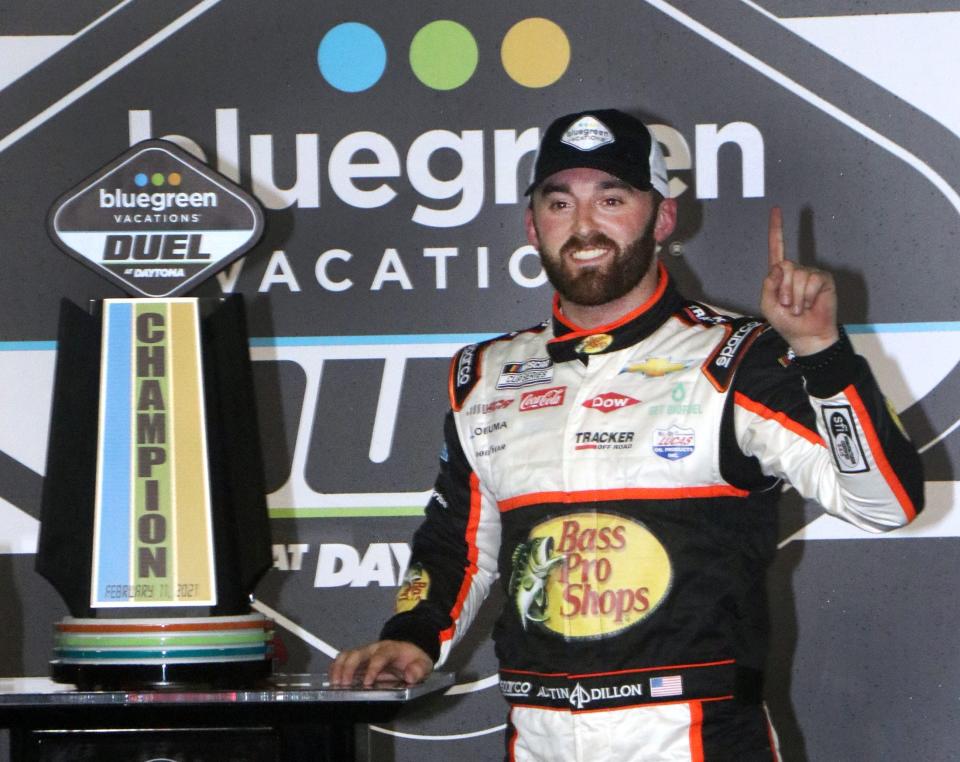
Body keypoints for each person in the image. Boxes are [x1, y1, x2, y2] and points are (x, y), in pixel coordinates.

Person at [330, 109, 924, 761]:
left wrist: (821, 352)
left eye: (611, 198)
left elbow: (885, 504)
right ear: (532, 226)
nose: (584, 226)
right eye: (560, 202)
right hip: (539, 736)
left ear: (662, 217)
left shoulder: (737, 358)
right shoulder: (488, 376)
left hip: (692, 736)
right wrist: (411, 635)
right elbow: (458, 541)